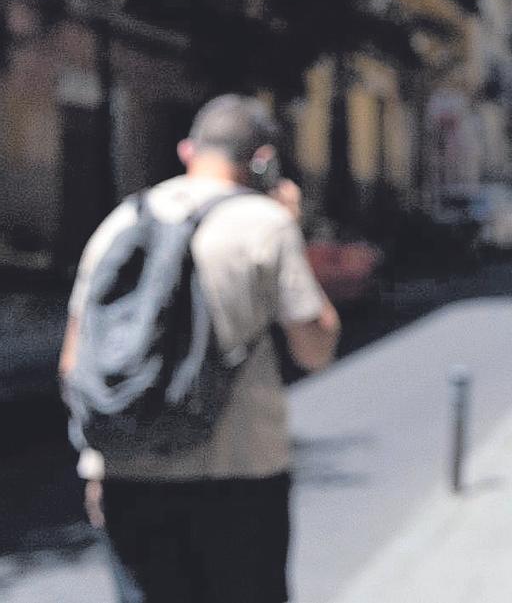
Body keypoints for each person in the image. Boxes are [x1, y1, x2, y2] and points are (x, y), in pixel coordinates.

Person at [58, 94, 341, 603]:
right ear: (263, 160)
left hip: (130, 475)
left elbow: (74, 363)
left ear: (188, 150)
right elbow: (315, 348)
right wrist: (292, 227)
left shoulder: (122, 220)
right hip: (239, 474)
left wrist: (98, 464)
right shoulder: (265, 222)